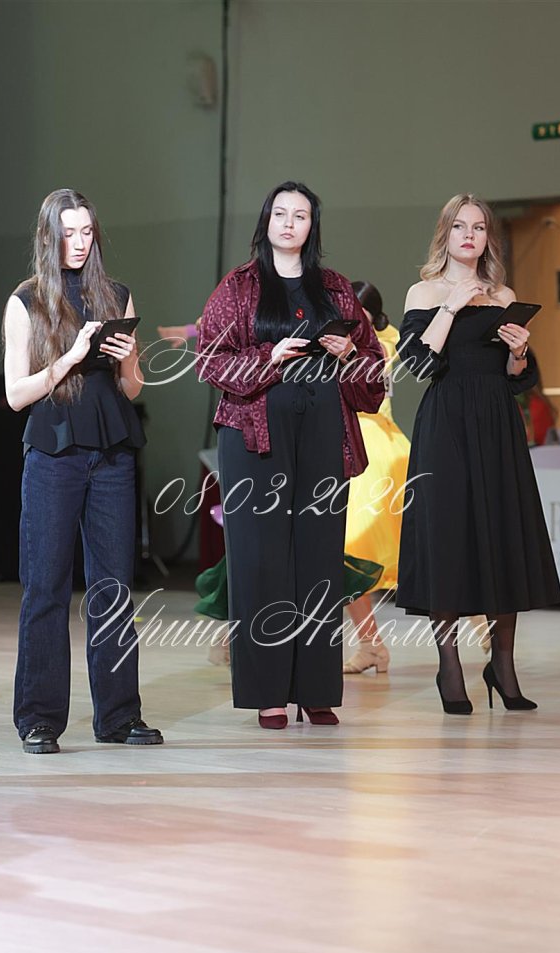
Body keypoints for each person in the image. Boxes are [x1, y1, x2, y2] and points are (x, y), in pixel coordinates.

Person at [196, 181, 384, 729]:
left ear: (311, 226)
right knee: (260, 561)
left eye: (300, 216)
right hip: (255, 436)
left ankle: (316, 688)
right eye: (280, 213)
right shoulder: (238, 286)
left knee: (319, 557)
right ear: (267, 221)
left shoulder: (336, 288)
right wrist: (269, 355)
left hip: (324, 432)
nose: (288, 223)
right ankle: (268, 692)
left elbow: (374, 373)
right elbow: (209, 358)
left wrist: (349, 353)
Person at [3, 189, 163, 753]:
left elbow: (132, 388)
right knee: (46, 586)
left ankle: (118, 715)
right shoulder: (26, 300)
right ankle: (39, 718)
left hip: (112, 452)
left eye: (87, 232)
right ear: (48, 236)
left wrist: (129, 359)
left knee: (113, 586)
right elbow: (15, 395)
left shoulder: (115, 294)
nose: (79, 243)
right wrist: (69, 359)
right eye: (68, 233)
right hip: (53, 454)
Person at [395, 193, 560, 714]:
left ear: (489, 238)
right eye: (460, 226)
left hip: (496, 424)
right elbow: (418, 365)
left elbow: (516, 380)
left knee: (502, 535)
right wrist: (451, 306)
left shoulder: (503, 294)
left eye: (480, 227)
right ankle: (449, 667)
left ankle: (502, 666)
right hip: (445, 425)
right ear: (445, 234)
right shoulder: (424, 291)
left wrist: (518, 351)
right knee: (448, 538)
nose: (470, 235)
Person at [343, 282, 411, 674]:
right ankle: (371, 645)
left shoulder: (379, 344)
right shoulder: (356, 340)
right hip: (361, 447)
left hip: (373, 452)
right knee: (350, 555)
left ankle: (479, 620)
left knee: (359, 551)